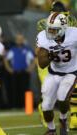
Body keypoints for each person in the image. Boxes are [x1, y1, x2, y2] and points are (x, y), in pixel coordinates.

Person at [36, 1, 77, 129]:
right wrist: (51, 53)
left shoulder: (73, 31)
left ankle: (67, 119)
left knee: (64, 95)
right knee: (47, 101)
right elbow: (41, 62)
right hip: (52, 68)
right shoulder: (43, 31)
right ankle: (50, 127)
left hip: (71, 68)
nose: (51, 32)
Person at [4, 33, 35, 108]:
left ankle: (27, 106)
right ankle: (16, 106)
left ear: (23, 40)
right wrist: (9, 69)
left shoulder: (27, 49)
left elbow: (34, 60)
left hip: (25, 72)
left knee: (26, 89)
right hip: (15, 73)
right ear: (16, 40)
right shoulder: (12, 49)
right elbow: (6, 60)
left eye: (21, 39)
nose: (19, 41)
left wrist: (31, 68)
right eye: (18, 39)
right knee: (15, 90)